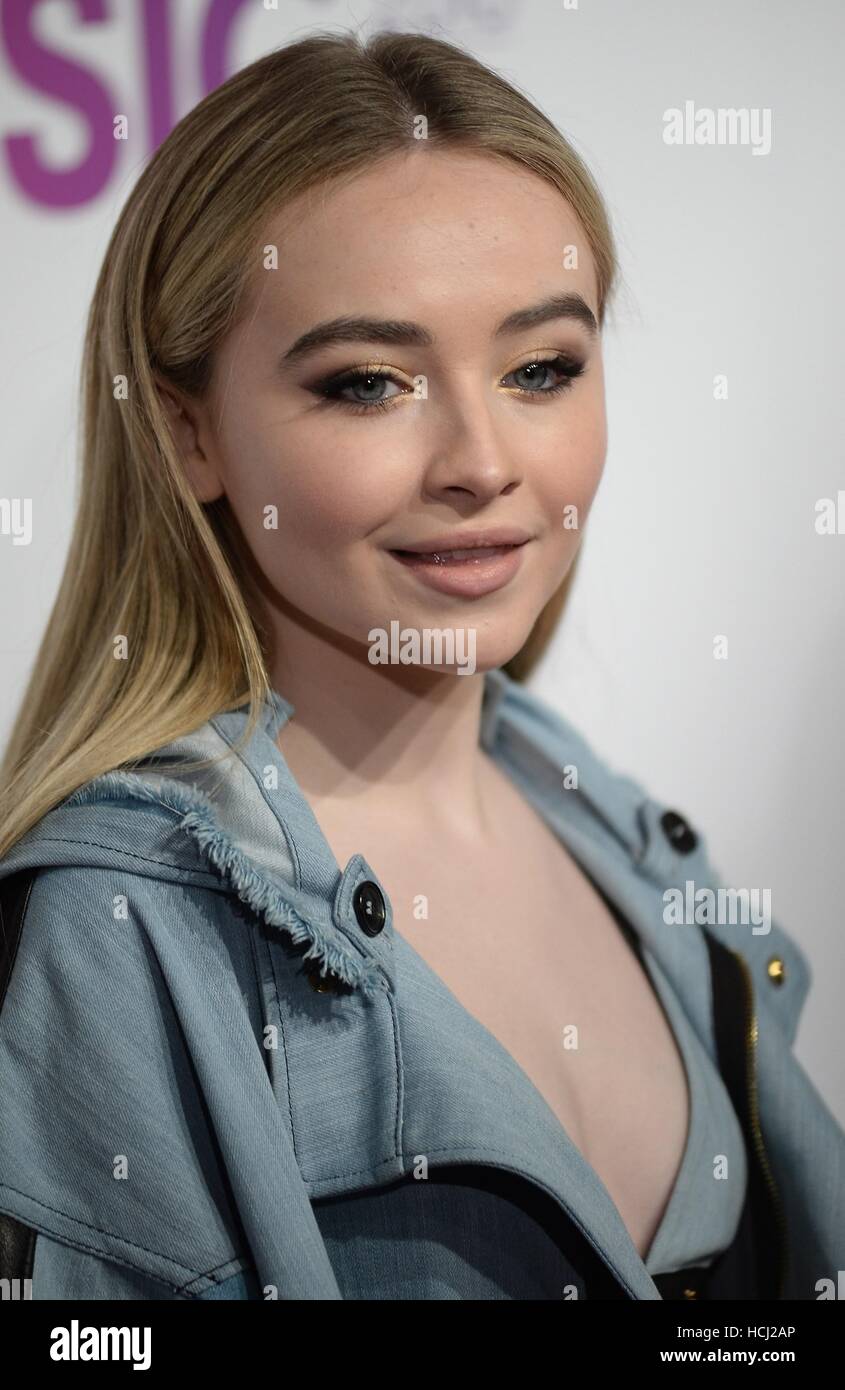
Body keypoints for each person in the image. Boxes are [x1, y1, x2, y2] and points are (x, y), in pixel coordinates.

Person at [0, 29, 842, 1302]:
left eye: (539, 368)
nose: (482, 460)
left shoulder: (621, 833)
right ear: (188, 436)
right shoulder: (111, 936)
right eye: (370, 383)